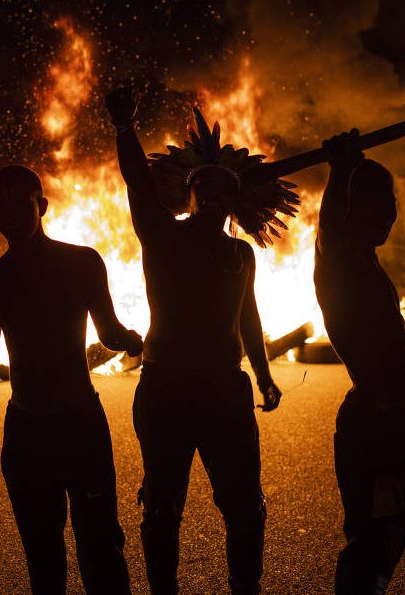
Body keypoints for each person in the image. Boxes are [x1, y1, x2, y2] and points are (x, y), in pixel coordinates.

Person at [106, 89, 298, 595]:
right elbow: (137, 181)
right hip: (166, 389)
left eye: (222, 187)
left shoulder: (242, 256)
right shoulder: (161, 235)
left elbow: (248, 317)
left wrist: (264, 375)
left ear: (235, 200)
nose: (211, 193)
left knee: (244, 505)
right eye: (202, 185)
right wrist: (125, 126)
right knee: (163, 506)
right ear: (187, 195)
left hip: (224, 392)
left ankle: (245, 588)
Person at [0, 165, 142, 595]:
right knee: (43, 554)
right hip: (27, 430)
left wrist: (132, 339)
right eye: (0, 203)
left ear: (43, 206)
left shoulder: (83, 262)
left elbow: (109, 332)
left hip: (79, 425)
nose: (10, 211)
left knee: (101, 547)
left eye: (21, 202)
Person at [314, 131, 405, 595]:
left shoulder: (363, 261)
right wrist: (340, 171)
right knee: (373, 539)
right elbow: (329, 232)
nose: (389, 214)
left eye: (391, 202)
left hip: (396, 421)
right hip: (378, 424)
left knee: (385, 533)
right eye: (377, 202)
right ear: (351, 209)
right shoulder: (340, 261)